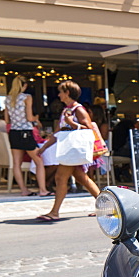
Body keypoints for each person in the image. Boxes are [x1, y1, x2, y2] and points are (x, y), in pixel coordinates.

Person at [33, 81, 101, 221]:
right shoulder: (67, 110)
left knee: (60, 177)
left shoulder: (79, 110)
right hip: (71, 151)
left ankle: (55, 212)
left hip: (73, 151)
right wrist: (45, 147)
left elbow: (89, 129)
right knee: (83, 179)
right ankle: (107, 208)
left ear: (67, 93)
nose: (59, 95)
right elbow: (57, 133)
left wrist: (72, 124)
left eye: (61, 92)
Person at [4, 75, 50, 197]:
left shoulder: (8, 99)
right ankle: (43, 189)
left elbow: (6, 120)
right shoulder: (27, 97)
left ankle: (24, 190)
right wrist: (36, 119)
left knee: (16, 163)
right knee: (38, 161)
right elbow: (29, 118)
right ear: (24, 86)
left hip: (14, 132)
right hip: (25, 132)